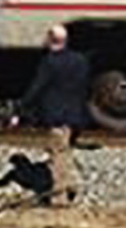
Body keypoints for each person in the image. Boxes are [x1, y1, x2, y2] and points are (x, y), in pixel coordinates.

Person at [10, 24, 91, 205]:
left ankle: (60, 195)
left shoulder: (50, 62)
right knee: (66, 152)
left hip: (57, 115)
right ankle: (70, 186)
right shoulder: (80, 60)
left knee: (57, 155)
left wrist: (20, 110)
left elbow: (37, 88)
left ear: (50, 39)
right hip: (76, 115)